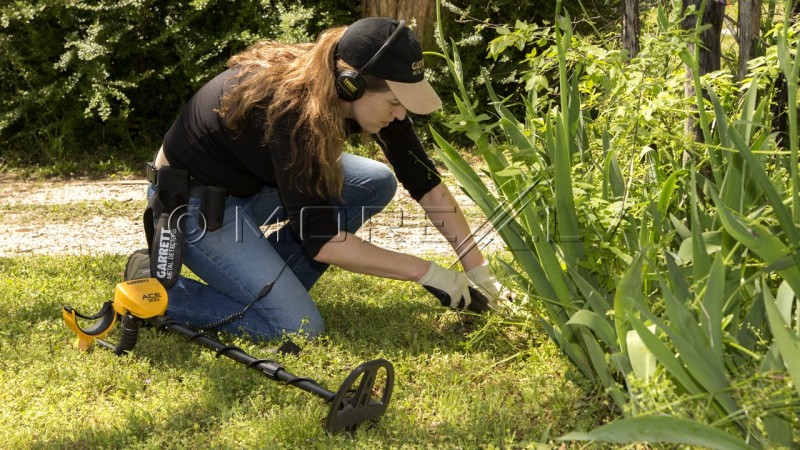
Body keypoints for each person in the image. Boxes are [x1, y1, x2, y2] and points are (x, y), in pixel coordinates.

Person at [126, 17, 508, 342]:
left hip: (254, 185)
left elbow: (425, 182)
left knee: (375, 181)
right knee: (298, 326)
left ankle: (269, 279)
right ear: (350, 84)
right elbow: (325, 242)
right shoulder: (293, 114)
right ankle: (160, 291)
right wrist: (429, 273)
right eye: (394, 103)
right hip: (191, 204)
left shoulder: (356, 91)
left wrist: (477, 270)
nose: (399, 114)